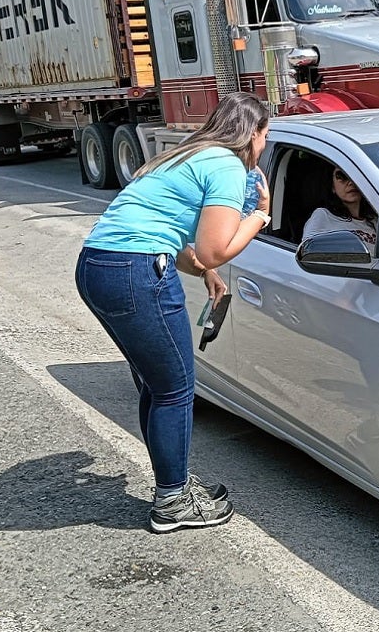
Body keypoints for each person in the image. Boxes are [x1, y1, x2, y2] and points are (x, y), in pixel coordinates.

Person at [75, 92, 273, 533]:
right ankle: (171, 502)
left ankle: (174, 485)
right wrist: (260, 216)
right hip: (134, 272)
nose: (265, 144)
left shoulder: (188, 155)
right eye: (266, 135)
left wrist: (203, 270)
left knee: (157, 383)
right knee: (175, 389)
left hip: (99, 265)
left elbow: (180, 239)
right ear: (252, 134)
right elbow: (216, 246)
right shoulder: (225, 165)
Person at [302, 167, 378, 255]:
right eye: (342, 176)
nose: (351, 182)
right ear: (332, 186)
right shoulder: (323, 216)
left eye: (356, 176)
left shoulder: (376, 221)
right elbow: (308, 252)